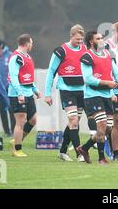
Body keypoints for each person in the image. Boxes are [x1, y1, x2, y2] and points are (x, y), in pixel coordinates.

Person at [76, 31, 118, 165]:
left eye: (102, 38)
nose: (102, 40)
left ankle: (84, 148)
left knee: (107, 128)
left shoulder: (107, 54)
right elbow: (87, 79)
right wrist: (107, 83)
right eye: (98, 38)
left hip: (107, 94)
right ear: (91, 42)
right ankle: (101, 158)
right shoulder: (87, 56)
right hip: (93, 95)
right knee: (102, 125)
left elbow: (114, 70)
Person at [44, 24, 86, 162]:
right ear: (71, 36)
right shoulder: (61, 51)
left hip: (81, 90)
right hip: (67, 90)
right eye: (77, 39)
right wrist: (47, 93)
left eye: (81, 40)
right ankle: (80, 154)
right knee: (73, 120)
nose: (80, 42)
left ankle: (62, 151)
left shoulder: (85, 49)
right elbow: (51, 71)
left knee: (74, 122)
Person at [8, 34, 42, 157]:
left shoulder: (27, 57)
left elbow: (27, 76)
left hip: (28, 93)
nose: (32, 45)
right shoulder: (16, 58)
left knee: (33, 119)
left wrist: (35, 89)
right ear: (27, 43)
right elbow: (13, 77)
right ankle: (17, 149)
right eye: (31, 43)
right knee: (21, 121)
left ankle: (16, 140)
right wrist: (19, 93)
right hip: (18, 94)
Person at [0, 40, 16, 137]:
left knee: (11, 109)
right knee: (2, 110)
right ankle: (7, 131)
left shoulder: (10, 55)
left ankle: (14, 130)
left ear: (1, 46)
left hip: (9, 88)